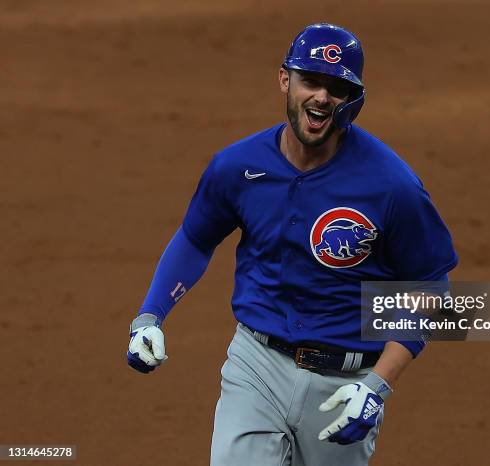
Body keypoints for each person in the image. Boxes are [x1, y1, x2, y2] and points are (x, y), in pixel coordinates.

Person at [126, 22, 458, 466]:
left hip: (346, 381)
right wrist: (150, 315)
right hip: (256, 365)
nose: (322, 97)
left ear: (354, 100)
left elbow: (430, 286)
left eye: (337, 88)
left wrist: (377, 385)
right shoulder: (237, 167)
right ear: (285, 80)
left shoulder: (392, 186)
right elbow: (195, 239)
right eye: (311, 81)